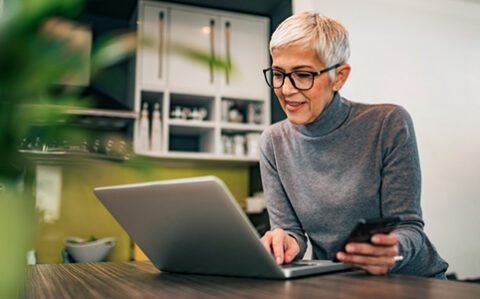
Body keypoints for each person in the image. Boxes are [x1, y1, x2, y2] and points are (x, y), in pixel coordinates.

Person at [259, 11, 448, 278]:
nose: (286, 89)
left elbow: (410, 228)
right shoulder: (273, 142)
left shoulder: (388, 123)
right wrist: (285, 242)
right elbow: (292, 234)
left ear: (339, 77)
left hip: (412, 281)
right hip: (340, 282)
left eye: (302, 75)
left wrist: (391, 250)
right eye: (278, 73)